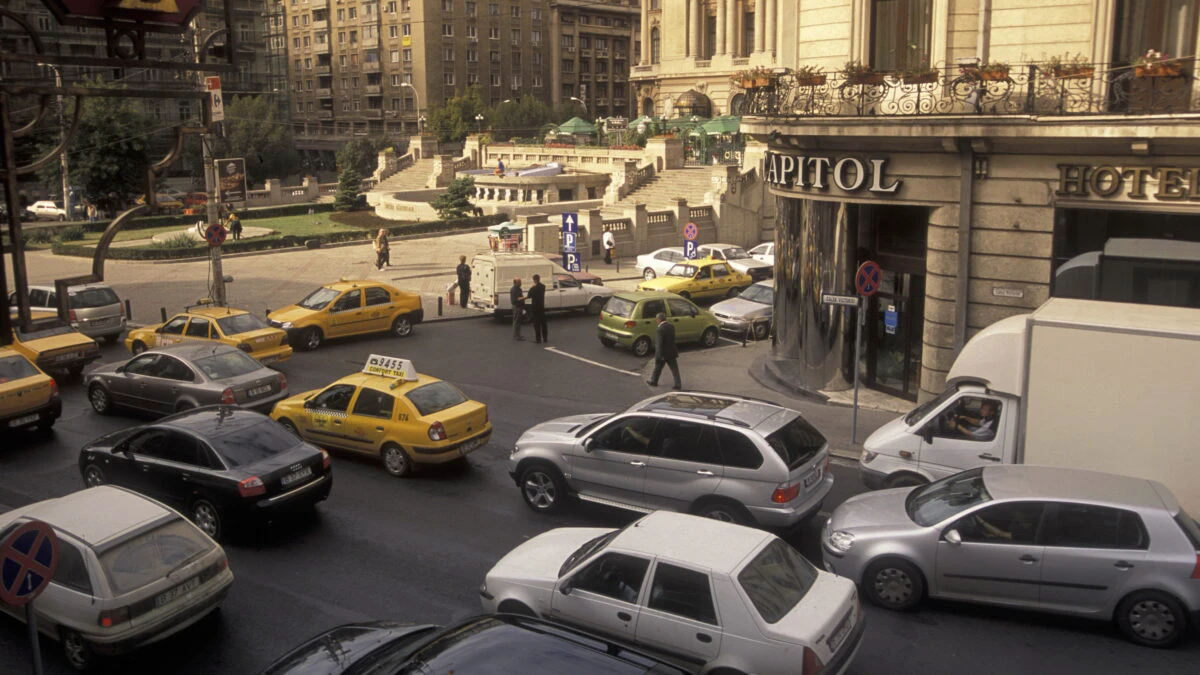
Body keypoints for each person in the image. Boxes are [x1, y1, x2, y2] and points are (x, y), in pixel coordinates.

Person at [646, 312, 681, 389]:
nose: (656, 320)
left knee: (657, 368)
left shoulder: (660, 329)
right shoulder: (671, 326)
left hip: (663, 354)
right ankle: (678, 384)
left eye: (656, 318)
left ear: (659, 319)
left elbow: (659, 343)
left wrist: (659, 355)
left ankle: (654, 381)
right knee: (674, 369)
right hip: (672, 352)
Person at [528, 274, 547, 344]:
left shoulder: (533, 289)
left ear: (534, 280)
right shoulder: (543, 287)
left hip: (535, 308)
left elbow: (529, 297)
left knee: (537, 324)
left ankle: (538, 339)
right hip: (541, 307)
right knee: (543, 323)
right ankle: (545, 338)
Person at [510, 276, 526, 341]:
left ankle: (518, 335)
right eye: (519, 282)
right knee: (517, 322)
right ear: (515, 282)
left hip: (518, 306)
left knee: (518, 322)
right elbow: (516, 299)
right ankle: (516, 336)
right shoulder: (515, 289)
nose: (521, 283)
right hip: (517, 307)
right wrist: (525, 298)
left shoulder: (518, 288)